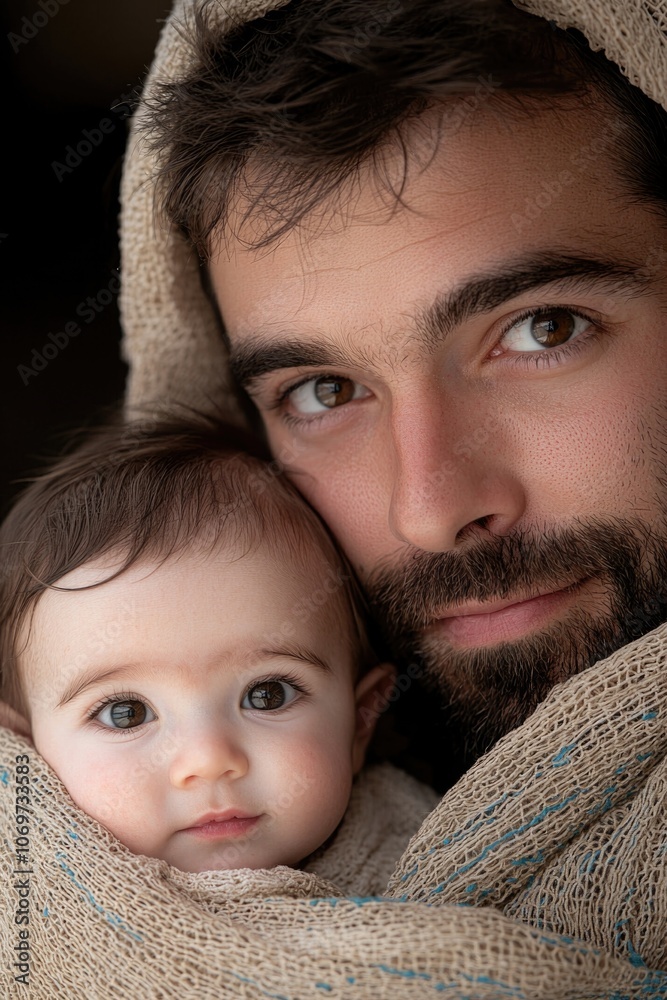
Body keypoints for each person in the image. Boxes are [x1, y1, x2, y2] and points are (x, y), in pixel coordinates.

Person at [0, 418, 437, 880]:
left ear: (361, 720)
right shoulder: (28, 896)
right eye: (126, 712)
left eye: (268, 694)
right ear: (24, 751)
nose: (209, 760)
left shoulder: (429, 860)